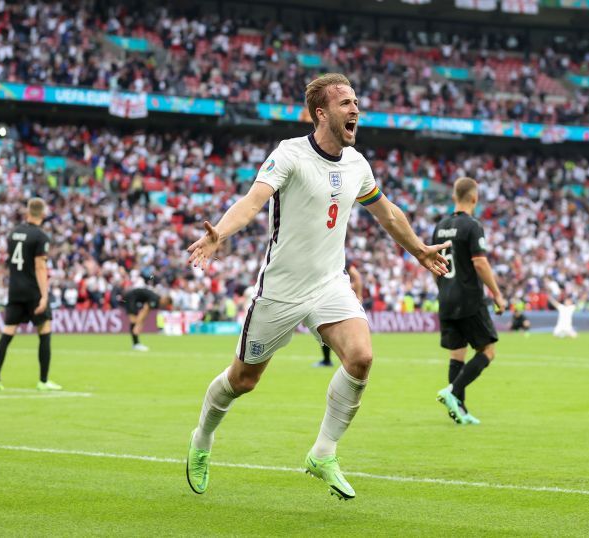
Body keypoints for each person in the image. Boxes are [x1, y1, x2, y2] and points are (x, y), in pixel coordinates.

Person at [184, 73, 449, 500]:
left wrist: (418, 249)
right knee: (243, 380)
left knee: (361, 357)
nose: (355, 109)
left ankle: (323, 453)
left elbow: (387, 213)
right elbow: (254, 199)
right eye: (345, 102)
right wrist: (222, 233)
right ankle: (202, 437)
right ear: (320, 113)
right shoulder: (289, 154)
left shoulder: (356, 164)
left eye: (356, 101)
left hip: (329, 282)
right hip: (281, 289)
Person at [433, 177, 505, 426]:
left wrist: (442, 289)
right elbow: (480, 262)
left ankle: (460, 411)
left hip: (446, 298)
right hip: (469, 299)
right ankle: (452, 392)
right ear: (474, 198)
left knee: (457, 355)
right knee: (488, 351)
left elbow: (434, 264)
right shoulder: (473, 226)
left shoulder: (440, 226)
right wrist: (497, 293)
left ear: (454, 197)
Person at [0, 198, 61, 392]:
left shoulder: (14, 233)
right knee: (44, 330)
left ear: (28, 211)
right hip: (32, 291)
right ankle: (43, 381)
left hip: (15, 289)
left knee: (7, 332)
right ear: (43, 213)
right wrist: (44, 296)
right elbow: (40, 266)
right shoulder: (40, 236)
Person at [314, 261, 363, 367]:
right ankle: (329, 360)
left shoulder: (341, 259)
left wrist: (358, 295)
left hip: (337, 299)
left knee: (332, 329)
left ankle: (346, 359)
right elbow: (357, 277)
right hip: (329, 299)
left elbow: (357, 277)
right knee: (325, 329)